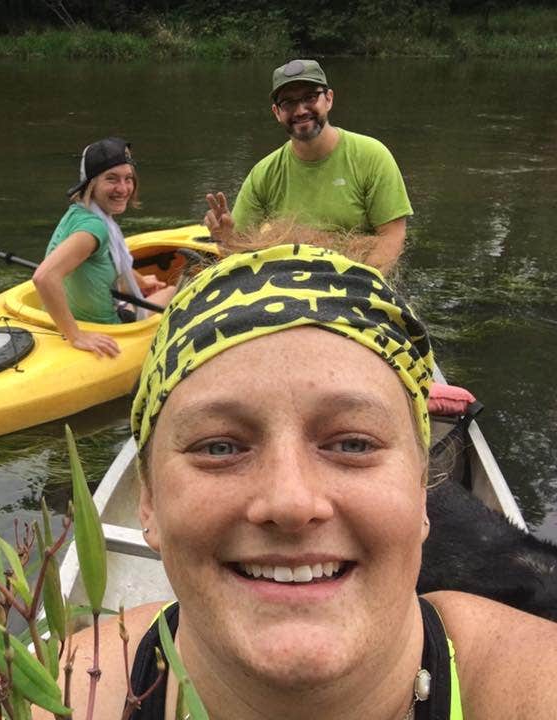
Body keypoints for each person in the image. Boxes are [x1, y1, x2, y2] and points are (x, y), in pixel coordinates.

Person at [35, 244, 557, 719]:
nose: (290, 502)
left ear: (422, 487)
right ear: (148, 499)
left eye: (353, 444)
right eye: (219, 447)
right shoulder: (51, 700)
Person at [205, 59, 413, 274]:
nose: (300, 110)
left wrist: (358, 282)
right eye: (288, 103)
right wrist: (226, 239)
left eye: (310, 97)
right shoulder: (263, 174)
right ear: (277, 112)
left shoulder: (373, 157)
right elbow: (240, 251)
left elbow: (392, 236)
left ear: (328, 99)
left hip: (357, 282)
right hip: (285, 283)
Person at [33, 137, 177, 358]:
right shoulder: (95, 228)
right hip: (105, 329)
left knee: (156, 293)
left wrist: (141, 283)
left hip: (60, 321)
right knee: (174, 291)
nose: (123, 188)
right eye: (112, 179)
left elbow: (108, 265)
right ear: (92, 183)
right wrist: (76, 336)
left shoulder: (79, 212)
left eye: (128, 179)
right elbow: (44, 277)